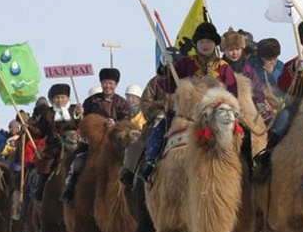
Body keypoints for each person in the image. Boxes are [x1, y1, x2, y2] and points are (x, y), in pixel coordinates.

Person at [135, 21, 238, 184]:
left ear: (214, 45)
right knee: (160, 128)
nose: (205, 45)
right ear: (196, 44)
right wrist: (165, 69)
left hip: (216, 113)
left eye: (209, 42)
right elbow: (167, 85)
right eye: (202, 42)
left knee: (242, 134)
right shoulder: (185, 63)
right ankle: (150, 161)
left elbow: (233, 93)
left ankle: (248, 168)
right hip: (186, 112)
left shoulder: (224, 67)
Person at [254, 19, 303, 174]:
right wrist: (294, 70)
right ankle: (268, 155)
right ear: (302, 41)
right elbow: (283, 84)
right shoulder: (294, 62)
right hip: (301, 106)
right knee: (284, 120)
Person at [62, 67, 130, 204]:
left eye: (111, 83)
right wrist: (77, 113)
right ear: (101, 83)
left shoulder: (122, 103)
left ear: (116, 85)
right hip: (91, 143)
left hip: (113, 143)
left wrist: (116, 124)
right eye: (105, 83)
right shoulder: (91, 101)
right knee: (77, 162)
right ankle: (69, 189)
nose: (108, 86)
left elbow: (127, 121)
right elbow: (79, 123)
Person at [221, 30, 272, 124]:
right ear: (224, 50)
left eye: (237, 49)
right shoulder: (220, 67)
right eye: (230, 50)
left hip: (247, 108)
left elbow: (257, 89)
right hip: (226, 108)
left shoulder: (246, 68)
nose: (234, 53)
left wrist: (261, 105)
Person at [250, 37, 284, 103]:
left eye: (275, 58)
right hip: (259, 100)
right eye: (268, 59)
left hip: (279, 100)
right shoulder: (252, 65)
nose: (272, 62)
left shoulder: (280, 65)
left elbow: (285, 83)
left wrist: (274, 72)